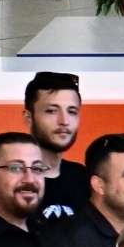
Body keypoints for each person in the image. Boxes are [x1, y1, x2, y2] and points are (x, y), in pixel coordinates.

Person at [23, 72, 92, 227]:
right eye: (52, 111)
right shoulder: (15, 180)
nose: (64, 121)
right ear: (28, 118)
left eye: (72, 111)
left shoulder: (83, 178)